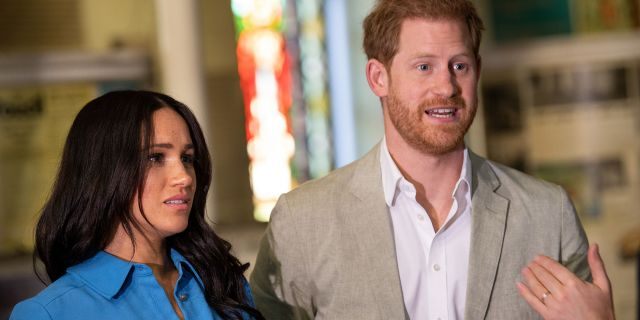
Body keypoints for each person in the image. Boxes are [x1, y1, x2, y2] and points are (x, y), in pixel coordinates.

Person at [250, 0, 615, 319]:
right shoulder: (302, 223)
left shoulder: (547, 214)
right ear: (379, 78)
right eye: (424, 67)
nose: (446, 87)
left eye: (459, 66)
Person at [10, 90, 264, 320]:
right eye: (155, 157)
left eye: (187, 158)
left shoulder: (224, 283)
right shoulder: (49, 313)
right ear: (103, 170)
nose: (184, 177)